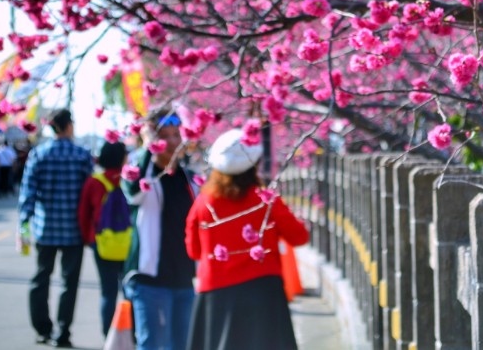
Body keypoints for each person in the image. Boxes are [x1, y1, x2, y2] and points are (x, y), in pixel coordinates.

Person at [185, 128, 310, 350]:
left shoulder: (203, 204)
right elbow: (299, 237)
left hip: (216, 296)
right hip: (264, 294)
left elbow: (194, 251)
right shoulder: (266, 200)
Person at [122, 106, 198, 350]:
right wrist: (147, 147)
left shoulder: (188, 178)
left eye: (176, 135)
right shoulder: (144, 176)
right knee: (151, 344)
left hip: (184, 279)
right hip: (149, 281)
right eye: (164, 137)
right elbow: (133, 192)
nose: (173, 142)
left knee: (181, 345)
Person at [19, 109, 93, 348]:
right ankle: (63, 332)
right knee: (68, 283)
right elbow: (90, 193)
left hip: (45, 229)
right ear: (68, 126)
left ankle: (42, 329)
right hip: (73, 231)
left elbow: (28, 192)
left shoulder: (39, 154)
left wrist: (24, 224)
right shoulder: (81, 155)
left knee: (41, 279)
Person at [78, 140, 129, 337]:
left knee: (108, 292)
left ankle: (109, 336)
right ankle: (132, 335)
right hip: (128, 242)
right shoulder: (129, 180)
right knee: (130, 291)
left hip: (102, 243)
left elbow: (84, 214)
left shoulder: (94, 181)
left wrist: (88, 239)